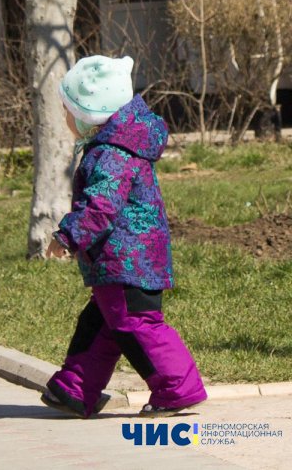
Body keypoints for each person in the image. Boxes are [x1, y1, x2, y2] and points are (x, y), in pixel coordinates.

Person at [43, 54, 207, 419]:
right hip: (125, 260)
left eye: (68, 111)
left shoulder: (111, 154)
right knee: (100, 324)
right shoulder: (115, 147)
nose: (66, 119)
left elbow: (100, 205)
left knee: (135, 325)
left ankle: (177, 389)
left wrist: (69, 235)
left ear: (89, 113)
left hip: (126, 260)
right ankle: (75, 387)